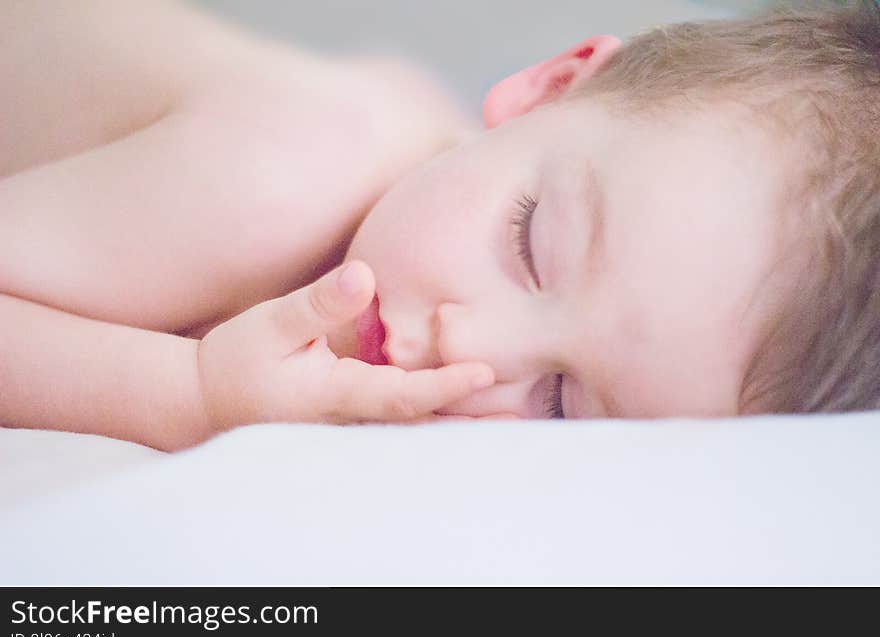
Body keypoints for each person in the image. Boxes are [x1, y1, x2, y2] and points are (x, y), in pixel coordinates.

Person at [2, 1, 878, 451]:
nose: (471, 352)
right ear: (548, 88)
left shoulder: (468, 186)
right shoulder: (279, 176)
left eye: (562, 406)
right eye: (531, 242)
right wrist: (189, 394)